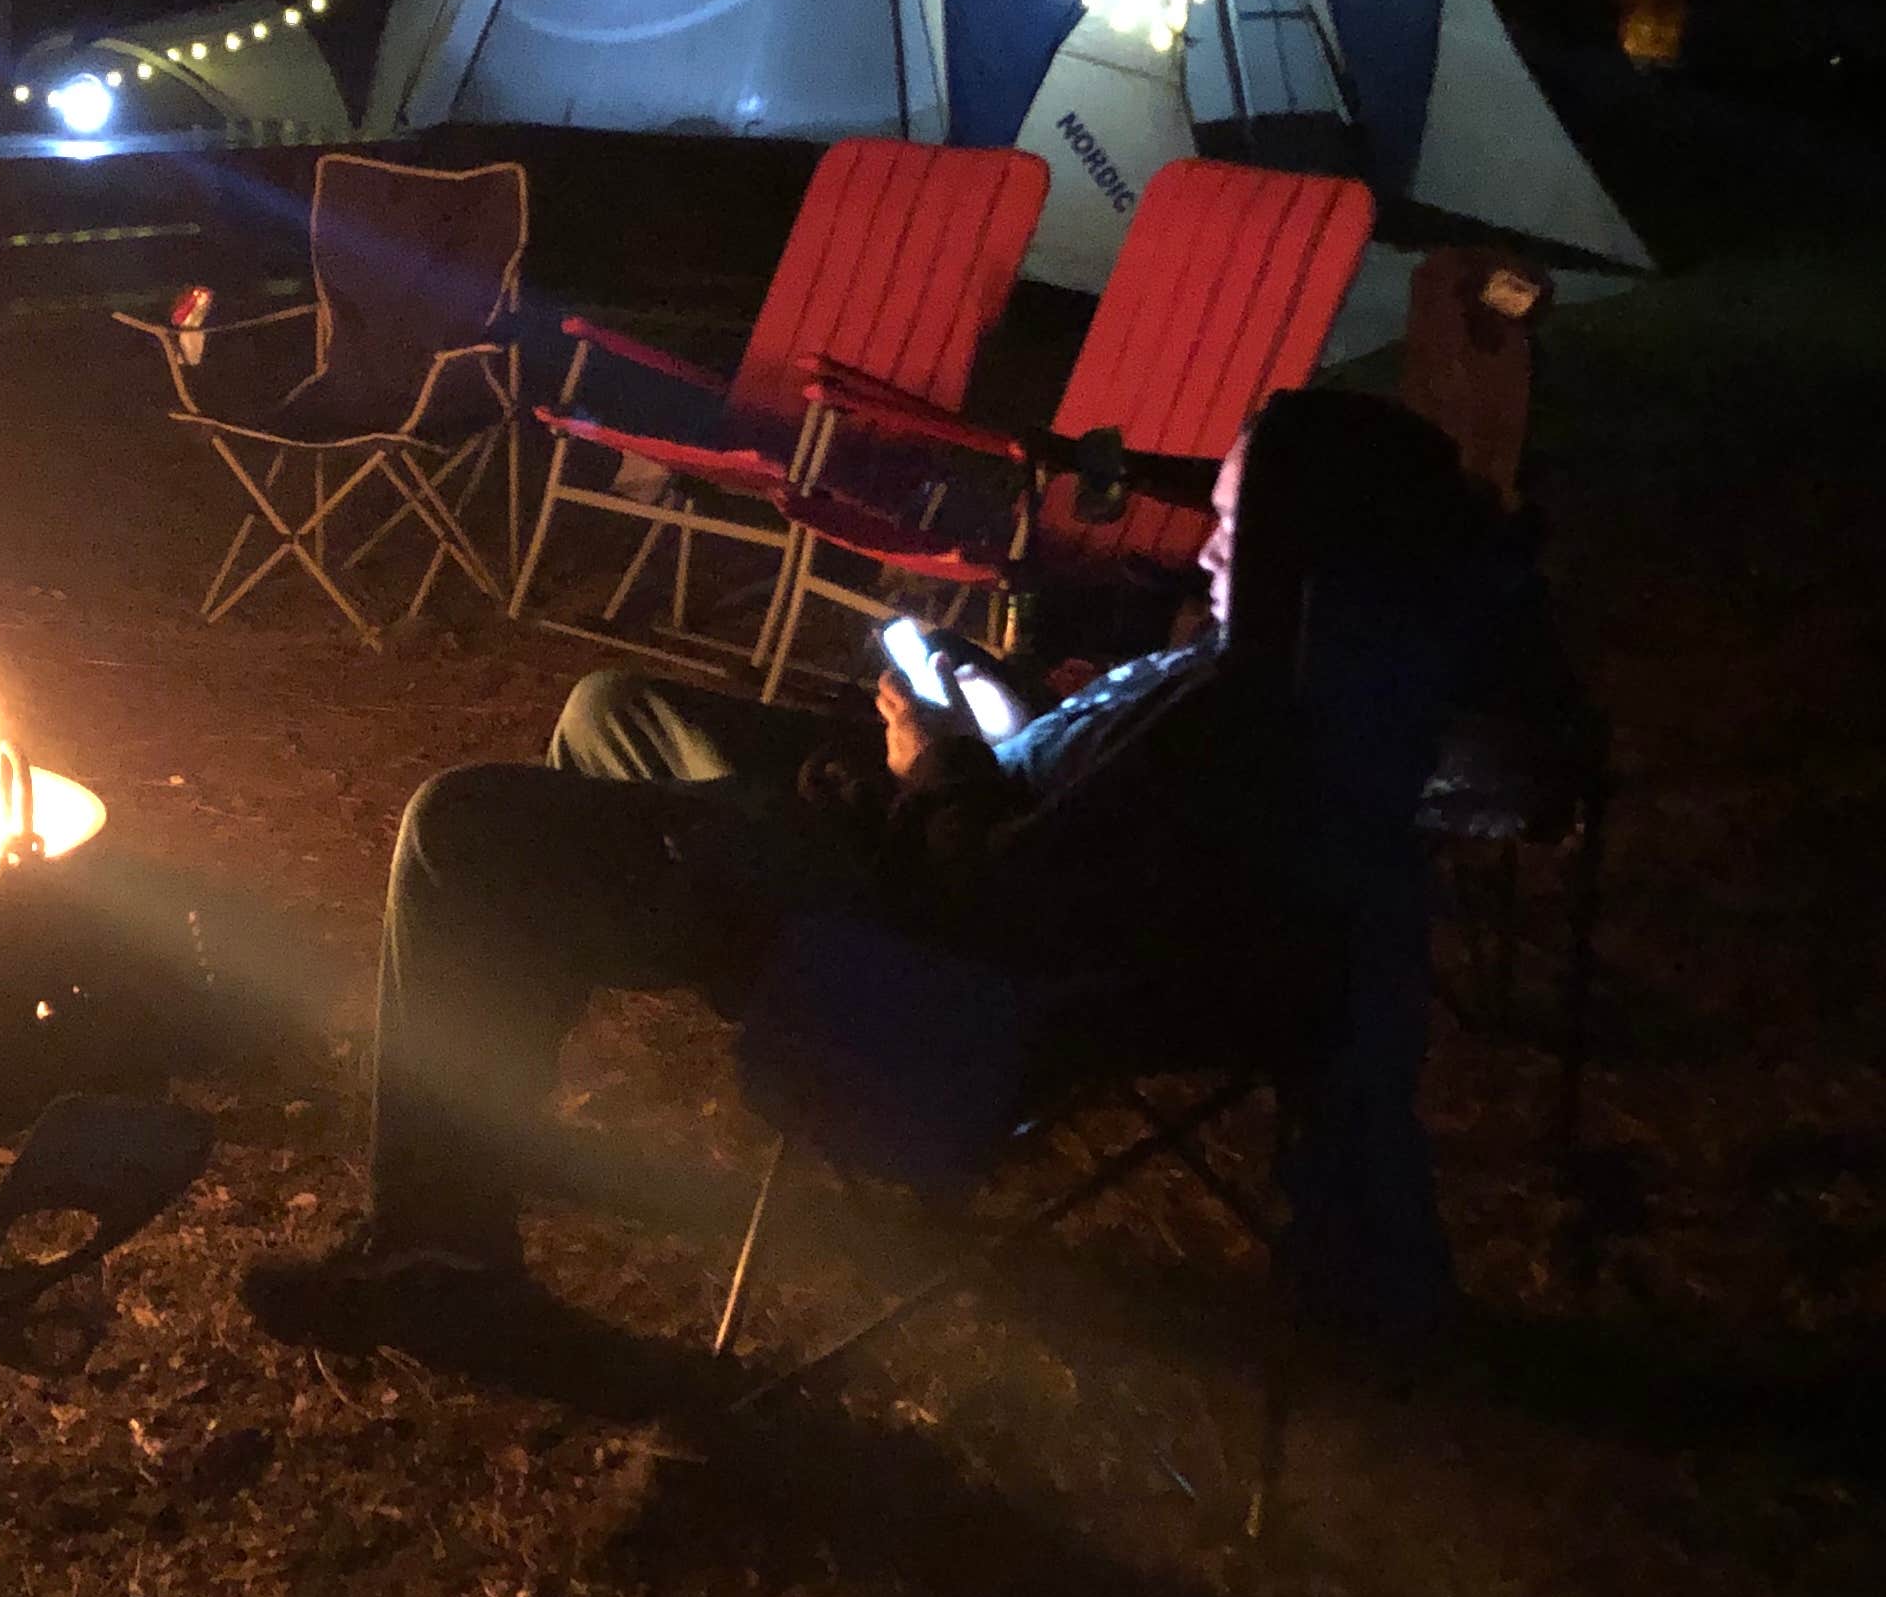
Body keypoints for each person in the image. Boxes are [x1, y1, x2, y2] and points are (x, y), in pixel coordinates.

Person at [244, 387, 1493, 1353]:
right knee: (607, 706)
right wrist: (1007, 714)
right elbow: (1079, 821)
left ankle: (438, 1246)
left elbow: (997, 905)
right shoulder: (1307, 680)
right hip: (932, 839)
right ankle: (492, 1119)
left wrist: (929, 760)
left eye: (1234, 526)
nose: (1210, 549)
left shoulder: (1238, 717)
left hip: (899, 952)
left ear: (1301, 552)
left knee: (466, 827)